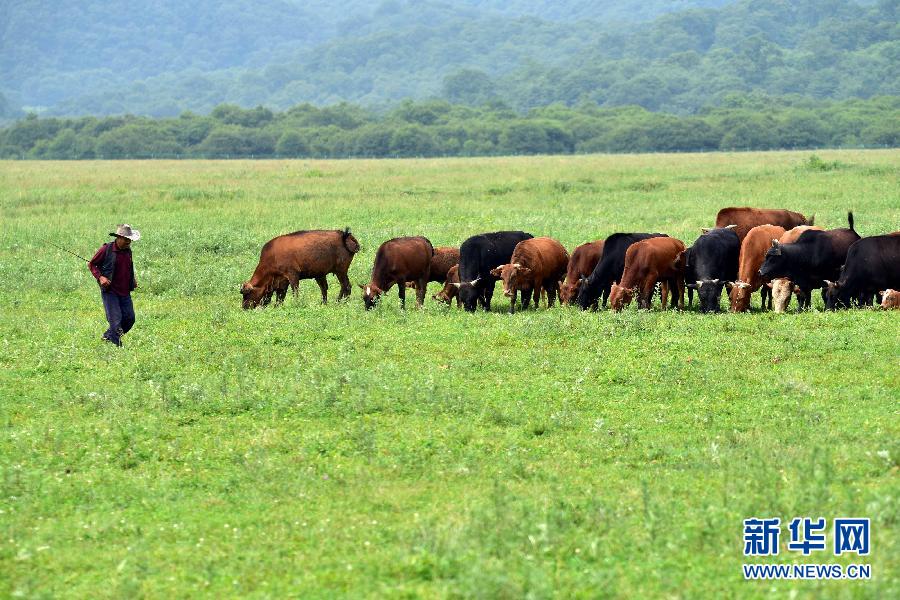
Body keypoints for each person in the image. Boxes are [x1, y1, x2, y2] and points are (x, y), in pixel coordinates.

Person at [88, 224, 140, 346]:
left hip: (125, 291)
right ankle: (118, 347)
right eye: (126, 239)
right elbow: (92, 264)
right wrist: (100, 277)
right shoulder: (106, 250)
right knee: (115, 322)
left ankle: (108, 337)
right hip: (110, 291)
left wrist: (132, 279)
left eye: (130, 240)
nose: (129, 242)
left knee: (129, 319)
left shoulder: (128, 251)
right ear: (118, 237)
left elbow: (127, 267)